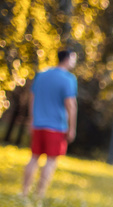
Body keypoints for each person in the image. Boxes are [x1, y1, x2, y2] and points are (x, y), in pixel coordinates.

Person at [22, 48, 78, 197]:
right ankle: (39, 195)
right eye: (73, 58)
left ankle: (24, 191)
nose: (74, 62)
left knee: (34, 158)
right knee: (51, 161)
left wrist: (31, 119)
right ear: (67, 59)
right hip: (57, 127)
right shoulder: (68, 79)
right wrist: (72, 128)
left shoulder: (41, 75)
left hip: (38, 124)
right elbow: (70, 105)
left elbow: (31, 98)